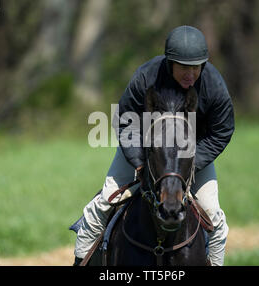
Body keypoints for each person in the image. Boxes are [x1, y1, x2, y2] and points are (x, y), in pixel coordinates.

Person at [74, 25, 235, 266]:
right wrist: (139, 162)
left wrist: (190, 164)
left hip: (189, 157)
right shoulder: (146, 77)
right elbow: (125, 121)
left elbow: (221, 131)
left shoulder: (213, 86)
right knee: (104, 202)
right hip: (143, 150)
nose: (191, 74)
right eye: (184, 67)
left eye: (196, 67)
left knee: (213, 215)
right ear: (170, 63)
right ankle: (80, 261)